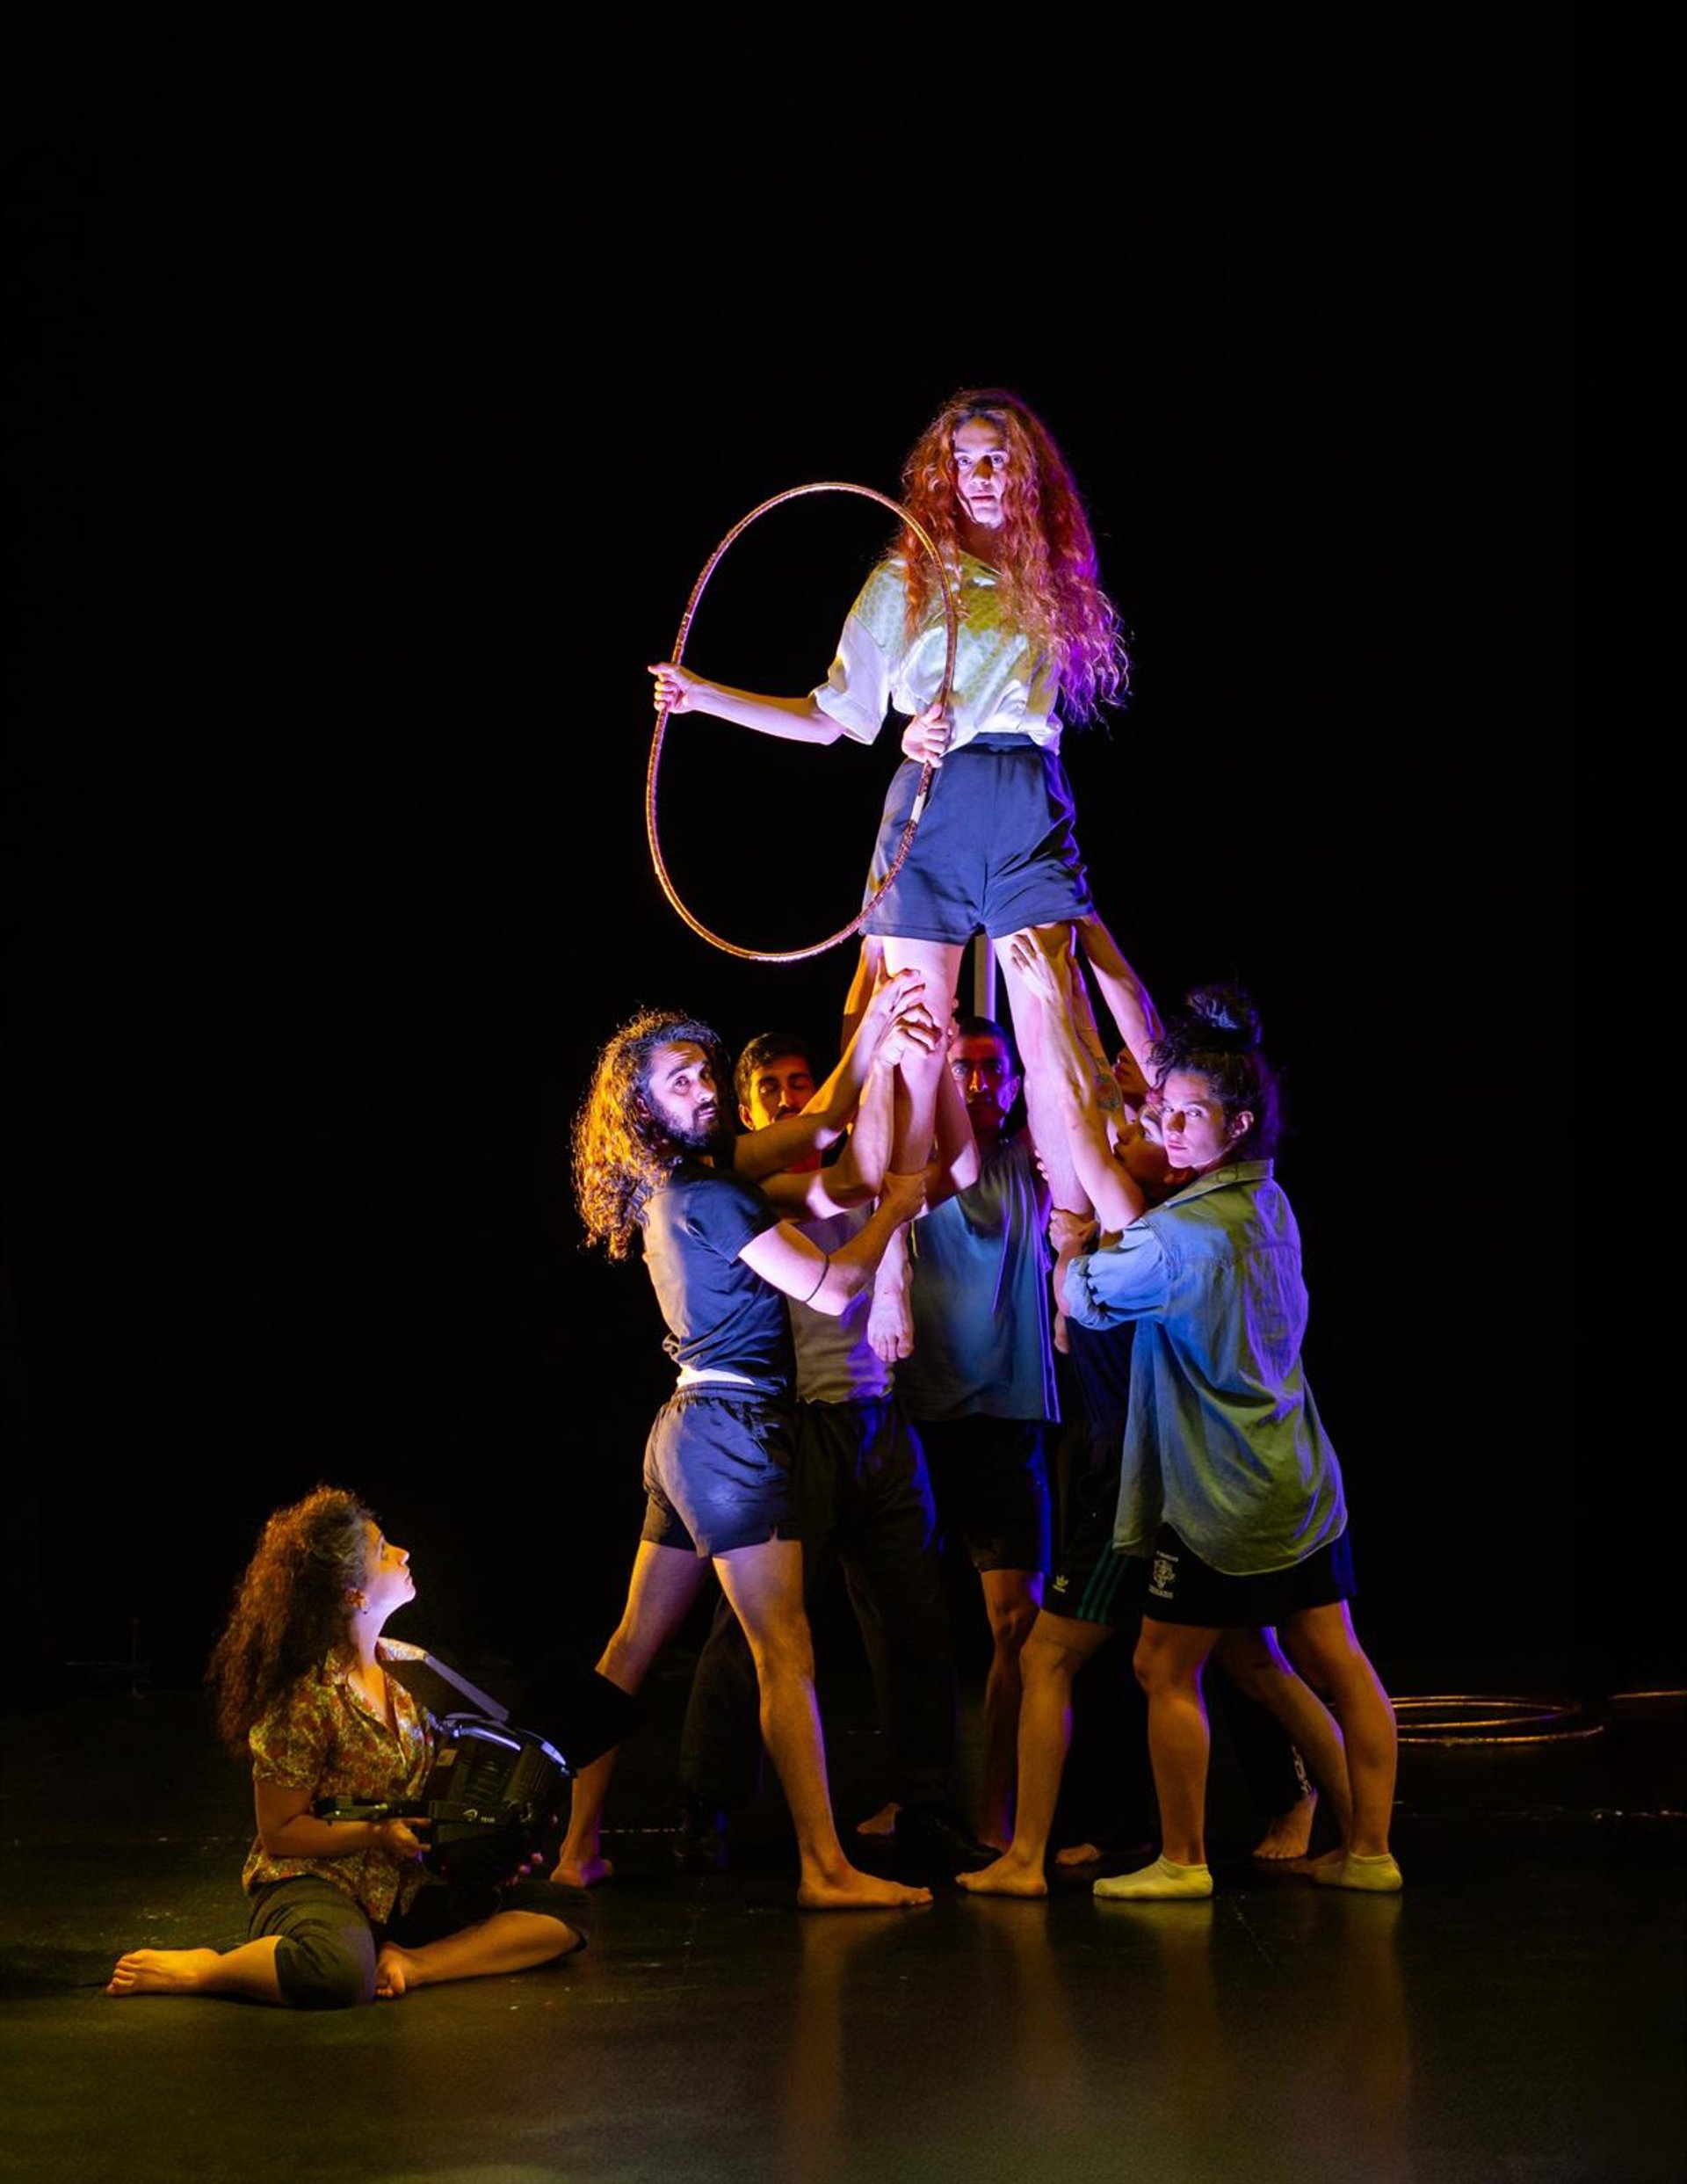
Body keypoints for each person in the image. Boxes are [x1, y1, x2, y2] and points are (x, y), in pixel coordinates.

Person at [648, 386, 1128, 1220]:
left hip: (1026, 799)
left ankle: (1074, 1236)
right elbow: (829, 719)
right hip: (933, 807)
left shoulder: (1051, 576)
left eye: (998, 461)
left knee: (1055, 1031)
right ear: (945, 475)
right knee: (914, 1036)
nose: (981, 477)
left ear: (1025, 474)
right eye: (965, 462)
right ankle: (894, 1248)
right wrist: (705, 697)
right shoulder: (904, 579)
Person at [553, 978, 939, 1911]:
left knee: (631, 1647)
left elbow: (821, 1123)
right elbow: (833, 1289)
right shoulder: (710, 1194)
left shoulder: (683, 1180)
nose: (704, 1090)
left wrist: (873, 1027)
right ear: (641, 1106)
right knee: (785, 1650)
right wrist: (893, 1211)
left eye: (704, 1074)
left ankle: (574, 1850)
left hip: (685, 1431)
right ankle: (826, 1869)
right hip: (734, 1436)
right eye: (679, 1082)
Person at [1023, 976, 1403, 1899]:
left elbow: (1084, 1297)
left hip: (1218, 1493)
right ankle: (1370, 1850)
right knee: (1330, 1660)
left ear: (1238, 1124)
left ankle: (1182, 1862)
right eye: (1165, 1111)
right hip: (1297, 1479)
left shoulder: (1181, 1236)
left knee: (1161, 1662)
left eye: (1188, 1114)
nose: (1167, 1127)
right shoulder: (1270, 1202)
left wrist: (1073, 1241)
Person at [676, 1026, 988, 1875]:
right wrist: (879, 1027)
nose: (788, 1096)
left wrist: (932, 1060)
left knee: (915, 1621)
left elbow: (954, 1170)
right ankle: (707, 1806)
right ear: (748, 1112)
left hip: (877, 1419)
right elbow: (856, 1189)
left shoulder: (860, 1167)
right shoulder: (751, 1188)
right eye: (770, 1087)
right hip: (796, 1428)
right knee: (750, 1631)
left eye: (799, 1081)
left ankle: (925, 1804)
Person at [105, 1486, 590, 2006]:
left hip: (402, 1885)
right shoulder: (305, 1696)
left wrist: (491, 1845)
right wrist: (375, 1833)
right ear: (353, 1592)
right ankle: (210, 1968)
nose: (403, 1553)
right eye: (383, 1551)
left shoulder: (409, 1669)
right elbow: (280, 1832)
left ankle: (415, 1964)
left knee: (565, 1911)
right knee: (334, 1972)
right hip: (319, 1881)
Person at [886, 1011, 1058, 1852]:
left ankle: (996, 1813)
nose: (981, 1082)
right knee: (912, 1628)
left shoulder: (1034, 1159)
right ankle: (915, 1800)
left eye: (995, 1068)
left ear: (1017, 1081)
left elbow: (1075, 1078)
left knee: (1016, 1626)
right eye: (965, 1068)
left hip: (1007, 1421)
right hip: (919, 1420)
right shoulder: (913, 1169)